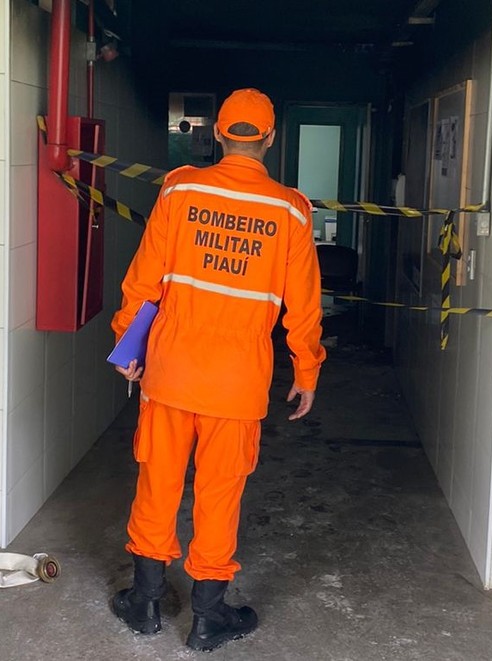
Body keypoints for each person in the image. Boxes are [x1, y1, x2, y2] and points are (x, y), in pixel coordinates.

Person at [110, 88, 326, 652]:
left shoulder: (180, 188)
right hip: (238, 383)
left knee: (157, 482)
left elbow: (143, 282)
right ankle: (208, 617)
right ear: (271, 139)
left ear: (220, 136)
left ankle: (146, 603)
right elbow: (303, 306)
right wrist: (307, 371)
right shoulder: (290, 211)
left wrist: (129, 348)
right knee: (219, 492)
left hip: (170, 372)